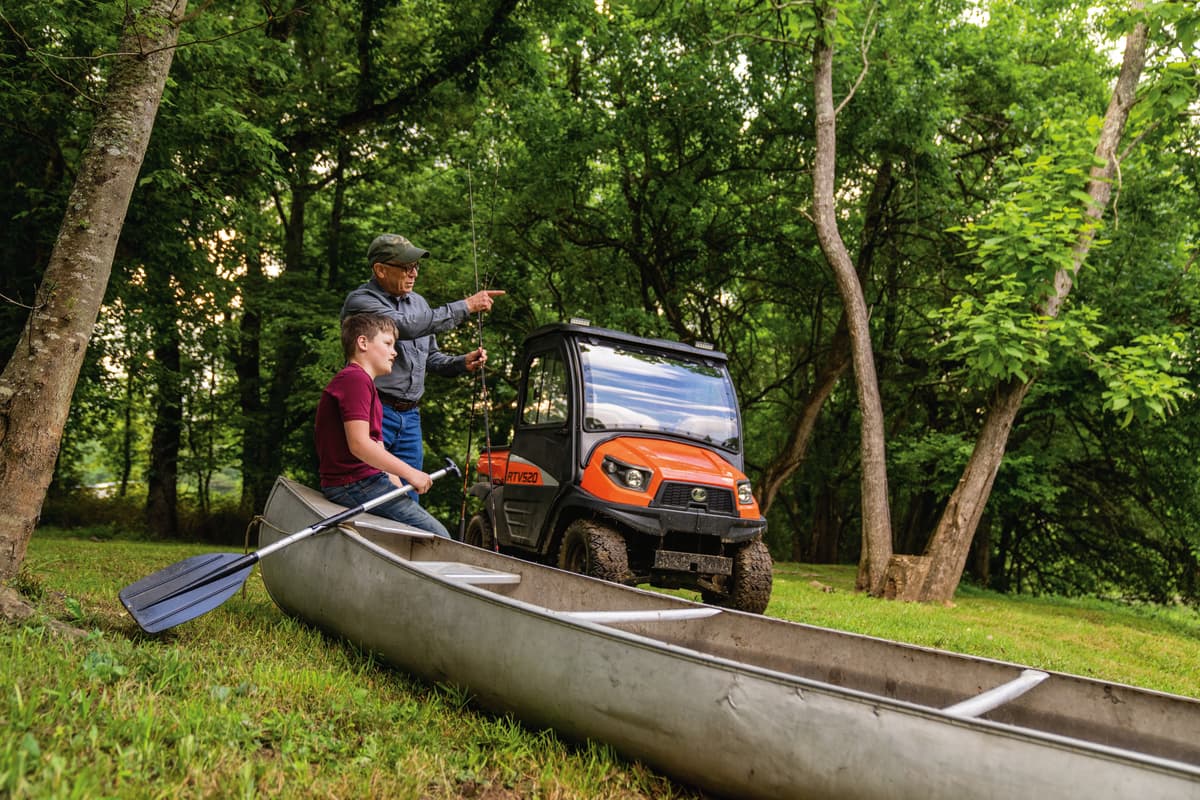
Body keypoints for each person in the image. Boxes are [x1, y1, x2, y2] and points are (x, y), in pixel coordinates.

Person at [341, 233, 504, 489]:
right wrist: (466, 306)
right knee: (376, 492)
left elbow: (432, 358)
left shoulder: (418, 303)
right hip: (375, 411)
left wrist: (462, 362)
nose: (414, 273)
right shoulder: (361, 301)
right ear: (380, 270)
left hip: (411, 417)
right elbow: (405, 326)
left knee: (410, 490)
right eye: (406, 267)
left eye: (416, 266)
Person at [314, 312, 450, 537]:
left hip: (366, 481)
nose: (394, 351)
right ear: (363, 342)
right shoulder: (354, 380)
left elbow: (377, 446)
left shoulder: (366, 385)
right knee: (439, 538)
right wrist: (412, 474)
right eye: (388, 343)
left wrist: (398, 487)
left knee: (425, 530)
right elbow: (359, 445)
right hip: (353, 483)